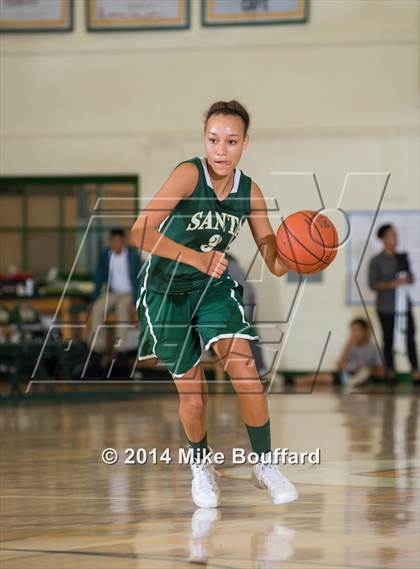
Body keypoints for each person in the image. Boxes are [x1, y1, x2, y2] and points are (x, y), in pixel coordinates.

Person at [130, 100, 298, 509]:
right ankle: (201, 466)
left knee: (244, 367)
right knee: (194, 396)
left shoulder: (250, 192)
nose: (221, 149)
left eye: (231, 141)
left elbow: (274, 261)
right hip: (165, 291)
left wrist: (300, 253)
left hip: (211, 286)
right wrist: (195, 258)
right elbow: (139, 232)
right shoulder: (189, 174)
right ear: (204, 139)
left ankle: (264, 464)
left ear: (245, 144)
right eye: (213, 139)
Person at [368, 224, 419, 383]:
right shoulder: (376, 260)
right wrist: (392, 283)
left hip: (404, 305)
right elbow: (373, 284)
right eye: (392, 235)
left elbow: (411, 277)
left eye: (396, 234)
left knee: (410, 337)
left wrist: (407, 279)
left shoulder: (402, 256)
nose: (395, 238)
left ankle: (415, 372)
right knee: (388, 339)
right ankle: (390, 371)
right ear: (383, 238)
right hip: (386, 306)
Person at [88, 229, 141, 366]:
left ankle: (121, 350)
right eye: (112, 242)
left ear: (123, 242)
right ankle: (96, 349)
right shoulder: (106, 254)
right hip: (113, 292)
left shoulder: (132, 256)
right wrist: (94, 298)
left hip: (128, 293)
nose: (115, 244)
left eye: (118, 242)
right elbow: (99, 276)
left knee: (122, 309)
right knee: (98, 308)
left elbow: (138, 279)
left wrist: (136, 302)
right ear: (110, 242)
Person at [293, 318, 385, 389]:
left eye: (357, 331)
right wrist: (348, 347)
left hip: (364, 376)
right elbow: (340, 366)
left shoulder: (374, 348)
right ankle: (290, 381)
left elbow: (381, 372)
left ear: (365, 331)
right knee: (320, 378)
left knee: (364, 372)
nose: (354, 334)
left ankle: (354, 381)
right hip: (346, 375)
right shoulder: (349, 345)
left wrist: (367, 369)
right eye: (352, 331)